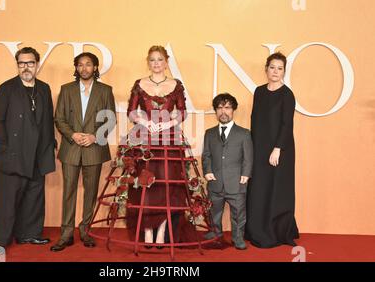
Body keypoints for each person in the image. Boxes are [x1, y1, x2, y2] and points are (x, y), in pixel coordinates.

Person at [125, 45, 200, 248]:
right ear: (148, 62)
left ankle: (162, 232)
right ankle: (148, 232)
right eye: (152, 60)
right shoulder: (139, 84)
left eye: (160, 59)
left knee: (168, 187)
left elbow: (182, 112)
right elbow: (131, 111)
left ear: (166, 62)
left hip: (169, 141)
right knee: (146, 186)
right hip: (145, 140)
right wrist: (146, 123)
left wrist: (167, 123)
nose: (156, 63)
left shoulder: (175, 85)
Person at [0, 47, 56, 252]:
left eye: (30, 63)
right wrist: (3, 147)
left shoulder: (44, 88)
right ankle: (1, 239)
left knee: (34, 196)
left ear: (37, 65)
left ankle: (30, 234)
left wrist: (50, 145)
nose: (26, 67)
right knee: (7, 199)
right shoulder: (6, 88)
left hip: (39, 153)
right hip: (13, 153)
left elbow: (47, 120)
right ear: (17, 65)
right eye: (22, 63)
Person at [51, 52, 116, 251]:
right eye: (80, 65)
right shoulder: (66, 89)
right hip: (71, 148)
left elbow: (111, 119)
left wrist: (94, 136)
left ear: (95, 68)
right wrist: (73, 135)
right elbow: (59, 118)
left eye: (88, 64)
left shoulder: (105, 90)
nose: (84, 68)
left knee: (91, 192)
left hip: (94, 148)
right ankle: (66, 234)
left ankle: (86, 231)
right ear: (76, 68)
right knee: (68, 192)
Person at [245, 52, 300, 248]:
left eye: (280, 68)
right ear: (266, 69)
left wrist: (277, 149)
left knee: (277, 189)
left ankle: (277, 229)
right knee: (259, 188)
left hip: (280, 150)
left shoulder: (287, 94)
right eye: (272, 67)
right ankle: (256, 228)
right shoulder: (259, 92)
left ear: (284, 71)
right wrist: (251, 148)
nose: (275, 72)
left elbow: (287, 125)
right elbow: (255, 121)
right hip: (259, 148)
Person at [202, 93, 253, 250]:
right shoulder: (209, 133)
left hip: (237, 181)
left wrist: (246, 174)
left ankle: (238, 238)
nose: (223, 111)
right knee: (214, 211)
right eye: (219, 108)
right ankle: (216, 233)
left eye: (227, 107)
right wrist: (207, 171)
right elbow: (206, 155)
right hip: (215, 181)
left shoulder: (244, 133)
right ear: (216, 111)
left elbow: (248, 156)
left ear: (233, 110)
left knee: (238, 214)